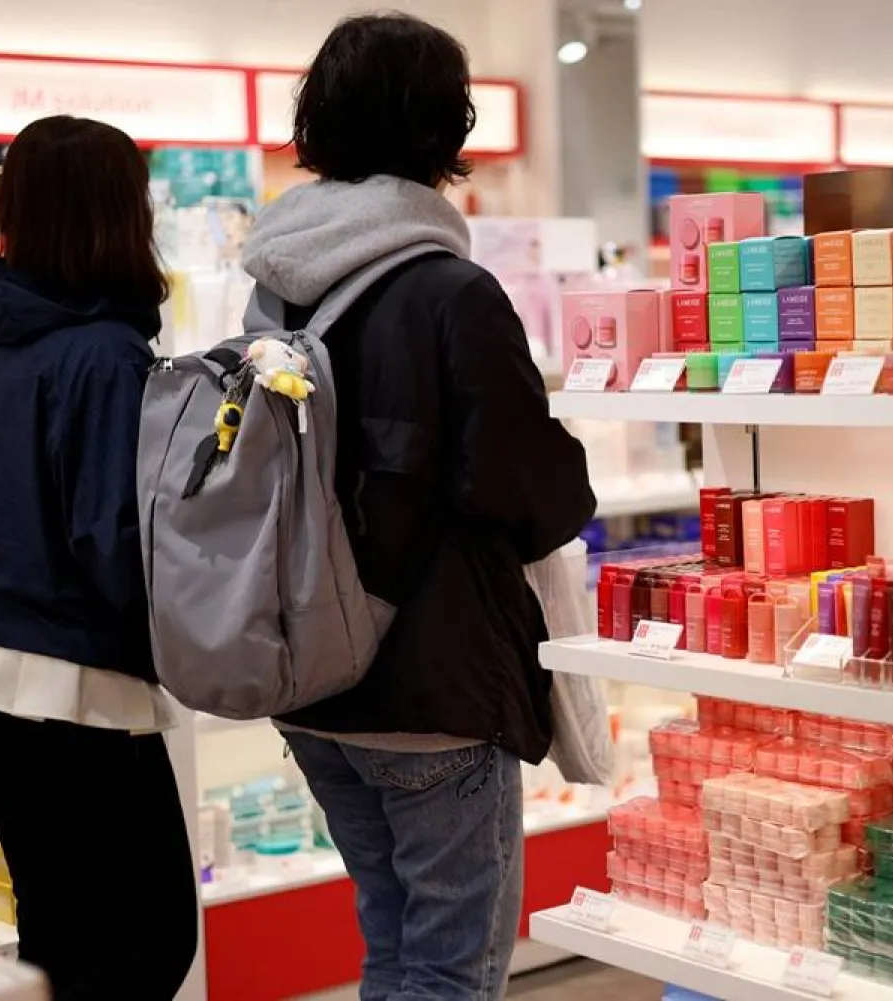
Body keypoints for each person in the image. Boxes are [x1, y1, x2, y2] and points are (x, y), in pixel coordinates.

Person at [242, 13, 595, 1001]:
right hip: (433, 688)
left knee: (394, 947)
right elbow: (535, 492)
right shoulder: (452, 292)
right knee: (452, 966)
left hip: (311, 675)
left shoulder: (270, 295)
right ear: (447, 127)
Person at [0, 115, 197, 1000]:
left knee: (58, 937)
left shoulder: (6, 333)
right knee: (147, 945)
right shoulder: (106, 354)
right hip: (78, 698)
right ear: (120, 211)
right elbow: (112, 540)